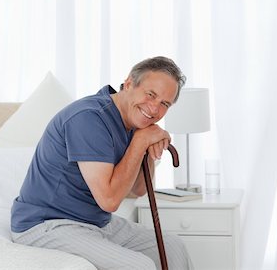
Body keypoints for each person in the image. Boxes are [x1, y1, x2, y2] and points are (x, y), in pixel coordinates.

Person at [11, 56, 193, 270]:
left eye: (164, 104)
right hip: (47, 224)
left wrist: (147, 145)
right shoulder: (89, 119)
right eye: (150, 94)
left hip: (95, 222)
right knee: (139, 266)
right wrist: (140, 141)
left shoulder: (134, 120)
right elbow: (109, 201)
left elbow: (141, 189)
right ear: (129, 84)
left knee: (173, 247)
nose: (154, 109)